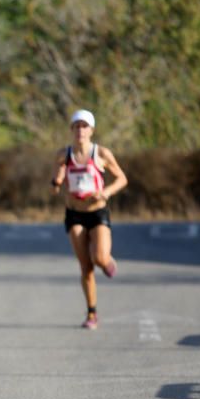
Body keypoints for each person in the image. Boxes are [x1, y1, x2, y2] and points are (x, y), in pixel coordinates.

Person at [50, 109, 127, 330]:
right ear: (71, 130)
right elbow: (56, 179)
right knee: (86, 267)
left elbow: (122, 178)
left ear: (91, 130)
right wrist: (56, 181)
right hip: (74, 213)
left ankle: (107, 261)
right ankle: (92, 313)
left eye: (85, 126)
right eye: (76, 126)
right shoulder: (63, 154)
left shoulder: (101, 153)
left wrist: (107, 192)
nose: (80, 131)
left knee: (100, 258)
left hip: (97, 212)